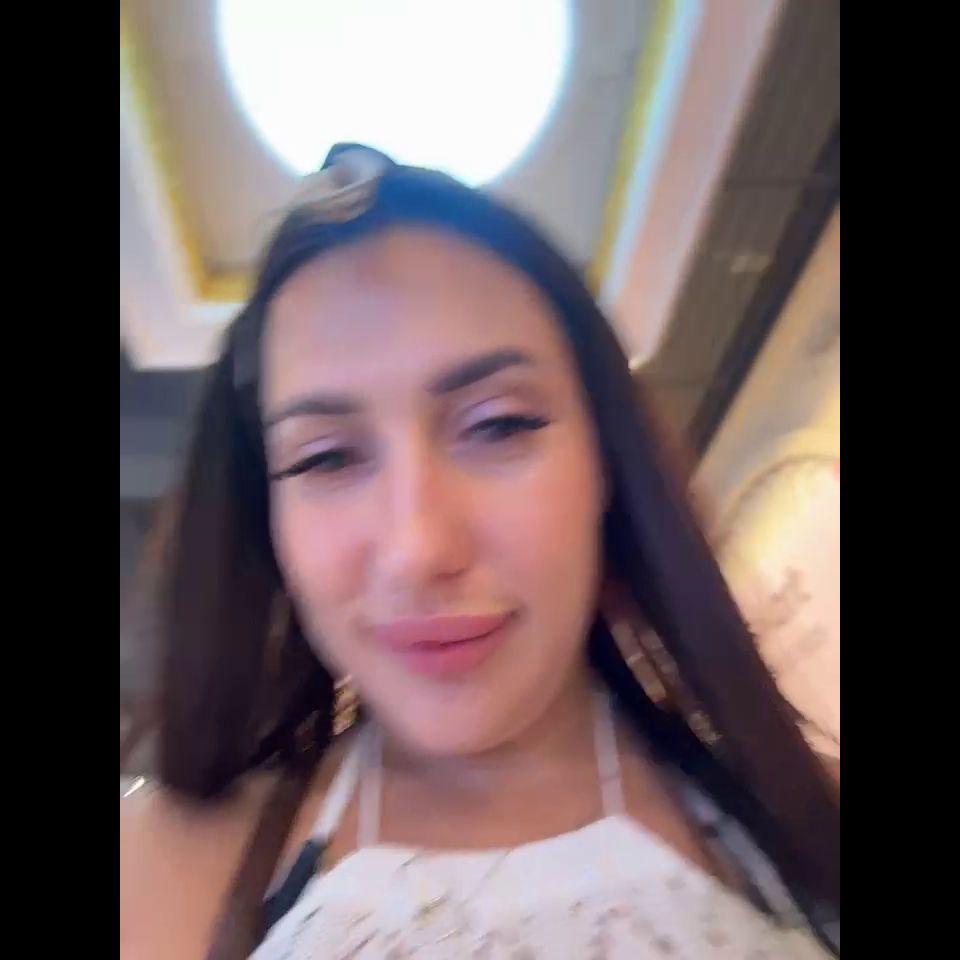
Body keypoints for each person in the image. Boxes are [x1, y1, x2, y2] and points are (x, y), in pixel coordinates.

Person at [120, 145, 840, 959]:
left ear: (606, 463)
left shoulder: (810, 817)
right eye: (327, 457)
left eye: (498, 425)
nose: (418, 549)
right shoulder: (156, 872)